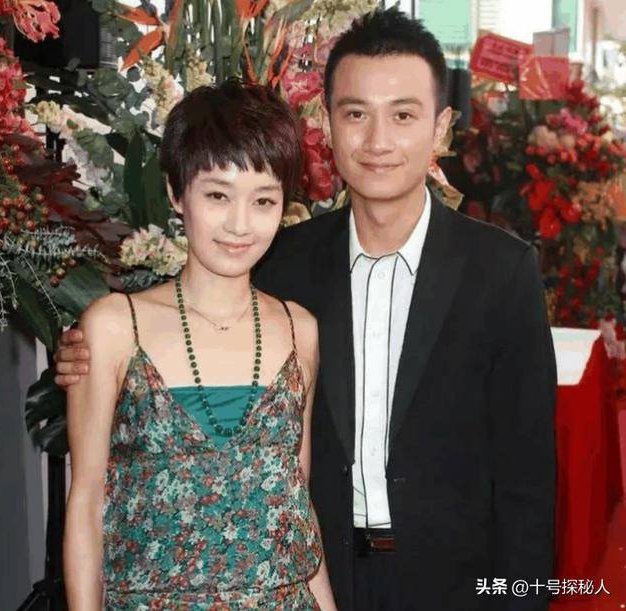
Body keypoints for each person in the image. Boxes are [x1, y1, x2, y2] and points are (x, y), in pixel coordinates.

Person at [57, 9, 557, 611]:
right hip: (317, 573)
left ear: (441, 126)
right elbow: (191, 321)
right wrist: (85, 350)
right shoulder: (279, 260)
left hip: (449, 582)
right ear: (327, 121)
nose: (378, 141)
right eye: (356, 114)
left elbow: (528, 479)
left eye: (403, 115)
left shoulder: (500, 272)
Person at [62, 79, 337, 610]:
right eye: (217, 195)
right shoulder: (114, 327)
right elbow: (86, 504)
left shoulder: (298, 329)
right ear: (176, 192)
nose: (240, 224)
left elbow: (295, 505)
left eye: (263, 200)